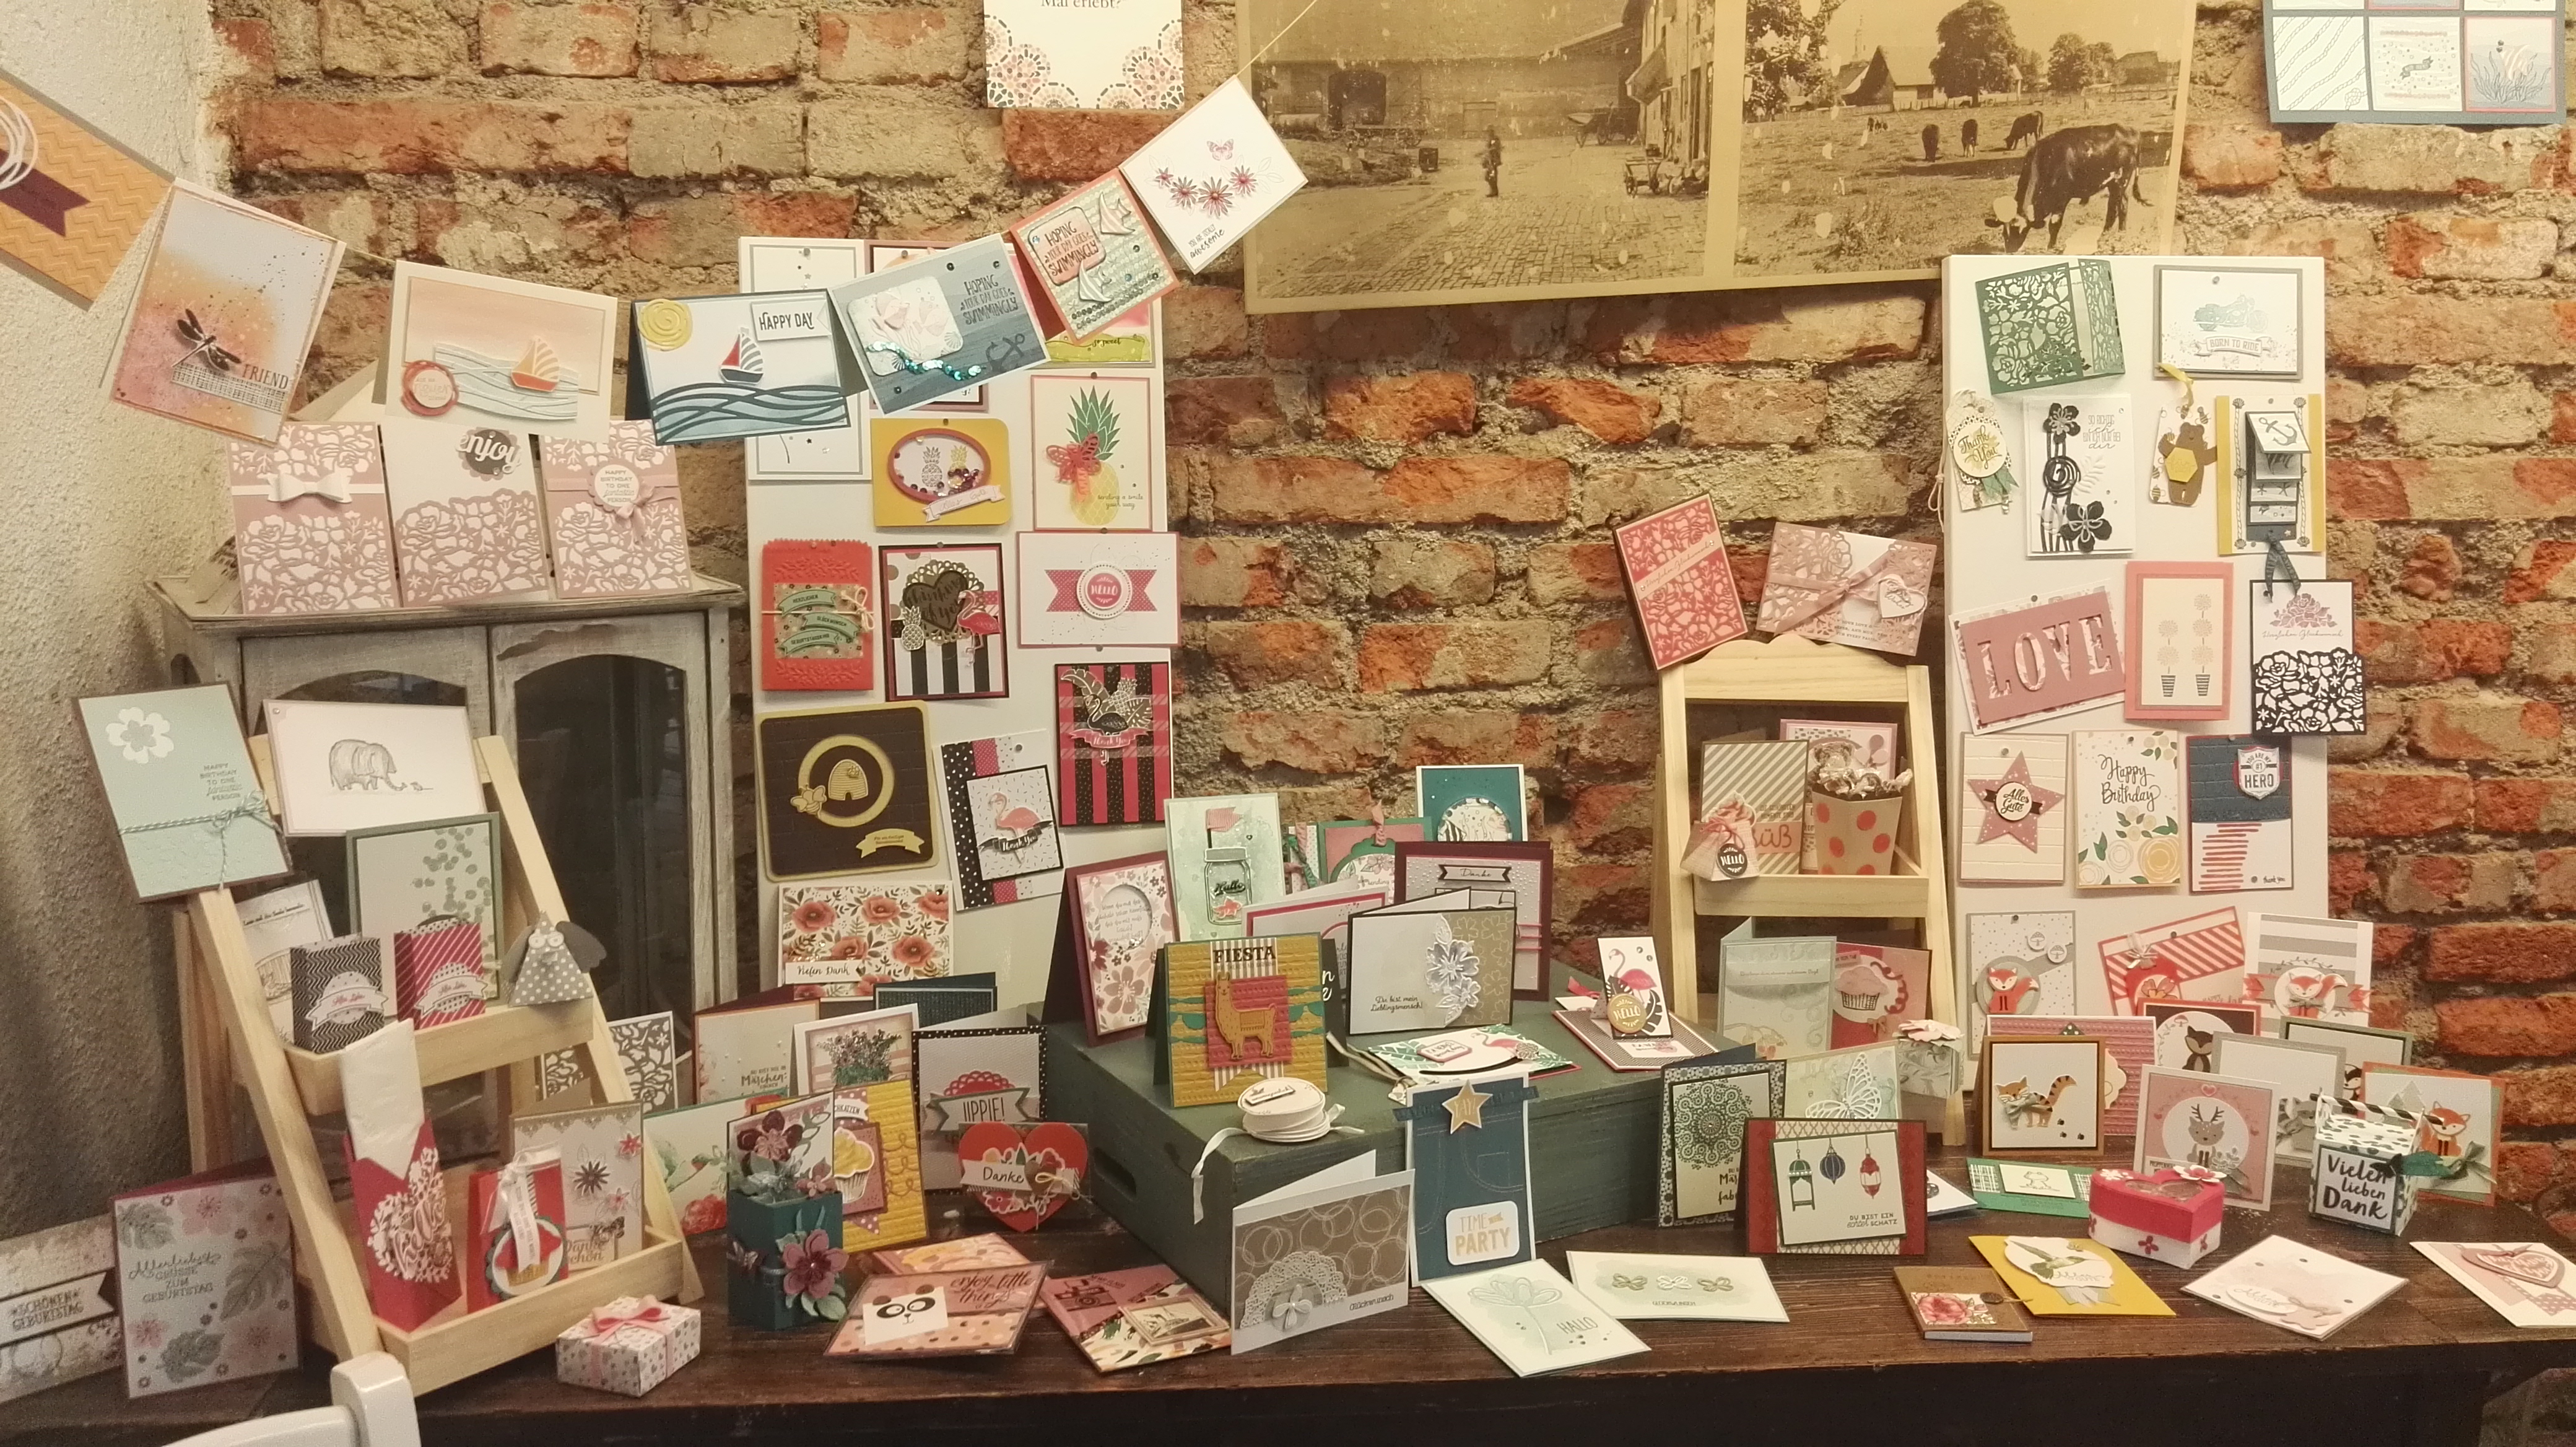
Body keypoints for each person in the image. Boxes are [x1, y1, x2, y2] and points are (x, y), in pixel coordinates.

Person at [1481, 128, 1502, 198]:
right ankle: (1493, 191)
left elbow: (1494, 148)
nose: (1487, 133)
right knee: (1490, 176)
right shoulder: (1491, 139)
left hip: (1493, 161)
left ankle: (1494, 192)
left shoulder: (1494, 139)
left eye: (1488, 131)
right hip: (1490, 160)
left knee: (1490, 176)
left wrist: (1488, 151)